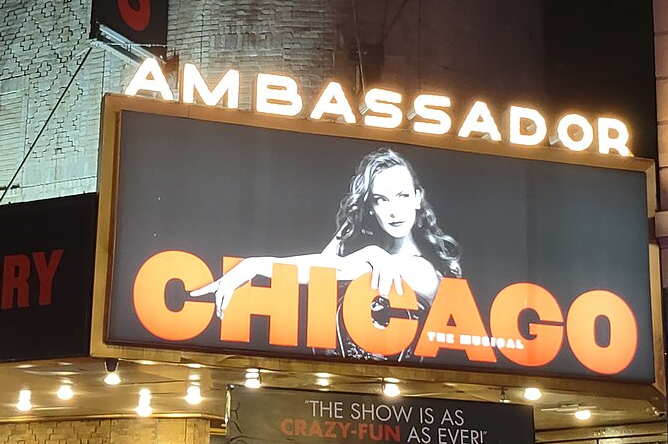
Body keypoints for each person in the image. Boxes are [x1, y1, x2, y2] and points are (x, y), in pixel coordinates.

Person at [186, 147, 462, 362]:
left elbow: (328, 271)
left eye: (402, 196)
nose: (393, 210)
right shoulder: (374, 258)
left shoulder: (420, 270)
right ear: (371, 207)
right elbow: (325, 267)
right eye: (381, 199)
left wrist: (255, 266)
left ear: (417, 198)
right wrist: (354, 225)